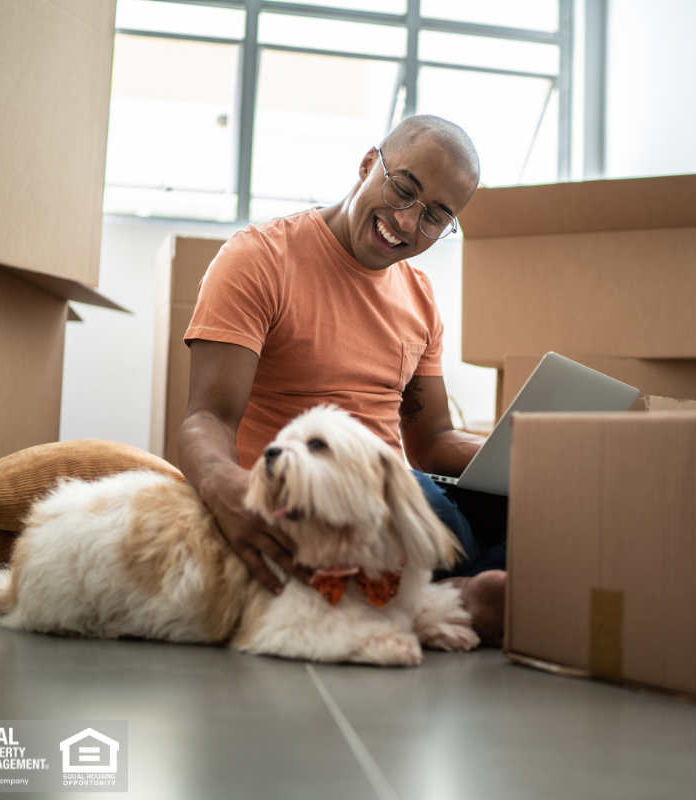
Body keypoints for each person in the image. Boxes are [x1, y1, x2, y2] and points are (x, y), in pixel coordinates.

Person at [177, 115, 506, 645]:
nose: (405, 223)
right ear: (367, 164)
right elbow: (207, 417)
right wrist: (222, 487)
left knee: (528, 515)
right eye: (403, 190)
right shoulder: (258, 260)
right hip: (307, 498)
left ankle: (449, 593)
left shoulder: (419, 297)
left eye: (435, 217)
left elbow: (434, 441)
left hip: (395, 501)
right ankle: (452, 599)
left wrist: (530, 457)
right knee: (426, 503)